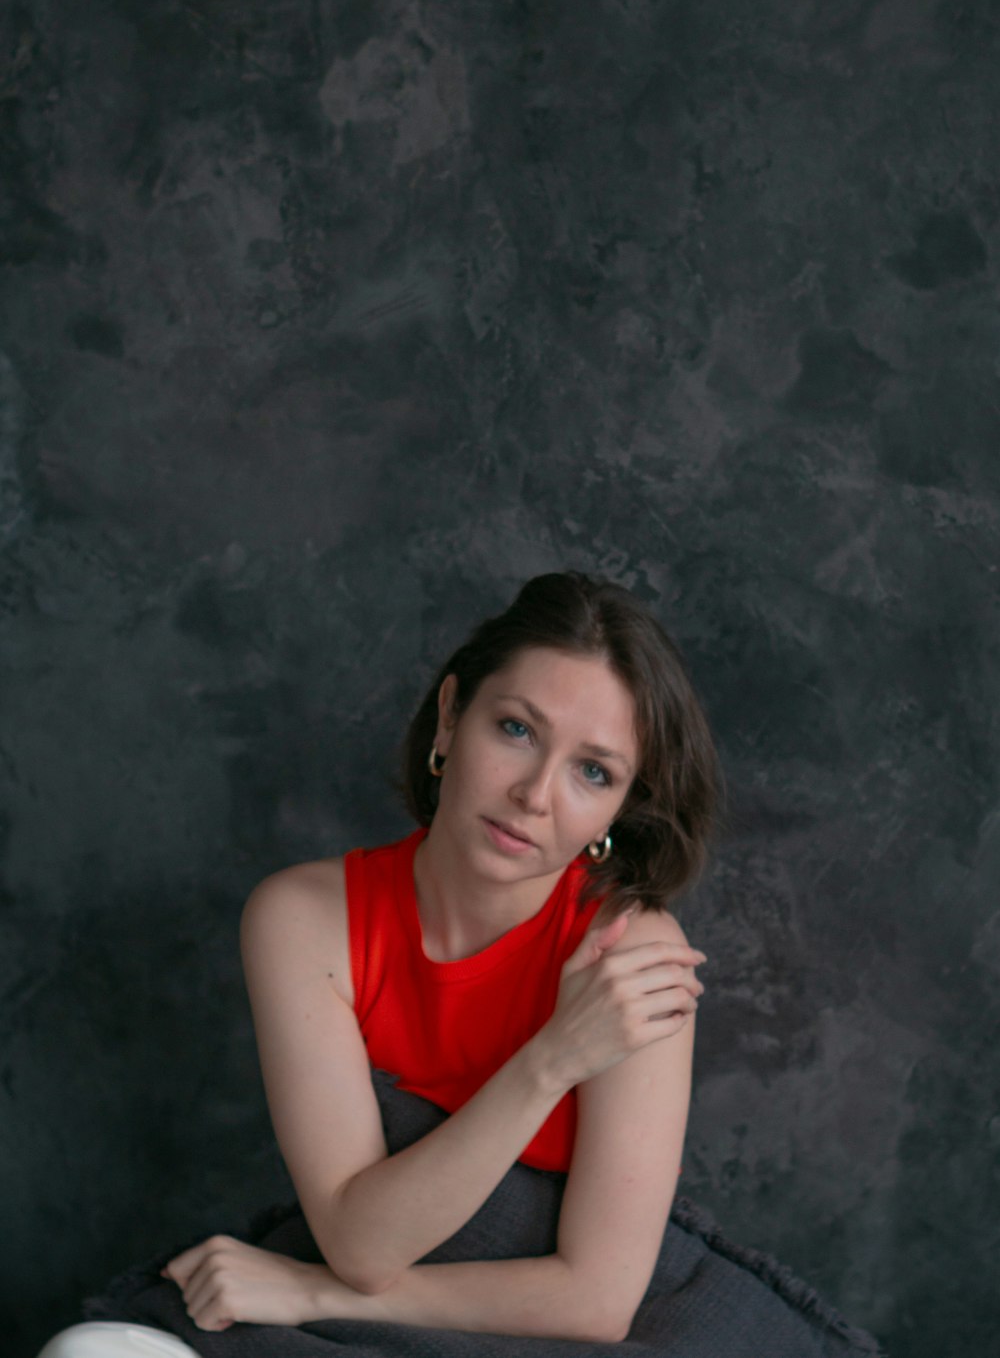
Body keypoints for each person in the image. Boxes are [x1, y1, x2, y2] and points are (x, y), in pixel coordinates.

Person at [45, 570, 719, 1354]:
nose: (536, 795)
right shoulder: (305, 920)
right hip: (361, 1287)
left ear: (616, 813)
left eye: (592, 771)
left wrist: (308, 1290)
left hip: (537, 1334)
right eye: (516, 730)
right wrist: (550, 1061)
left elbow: (596, 1302)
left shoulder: (633, 954)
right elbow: (361, 1242)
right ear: (449, 718)